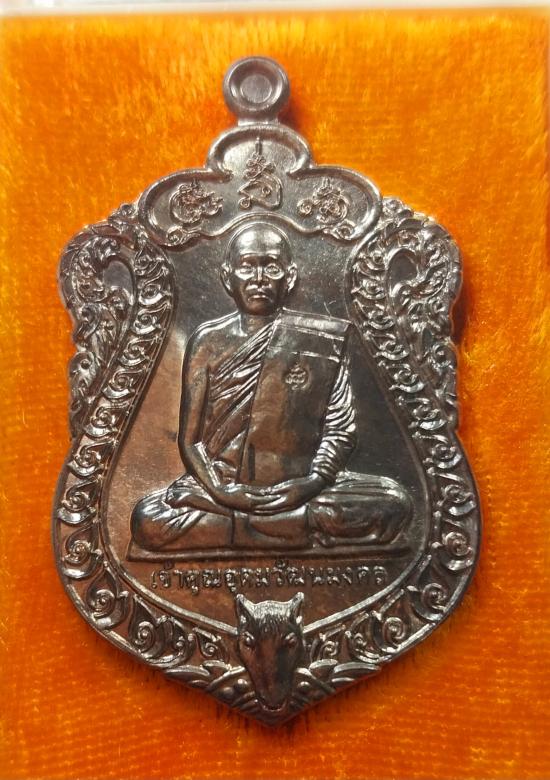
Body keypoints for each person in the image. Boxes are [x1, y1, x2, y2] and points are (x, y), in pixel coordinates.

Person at [130, 221, 412, 553]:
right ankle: (289, 526)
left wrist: (311, 483)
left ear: (289, 277)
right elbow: (191, 442)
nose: (259, 278)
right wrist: (221, 492)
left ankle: (250, 525)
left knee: (395, 502)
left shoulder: (319, 339)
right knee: (148, 519)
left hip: (301, 485)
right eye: (247, 266)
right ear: (227, 277)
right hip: (222, 484)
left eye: (271, 267)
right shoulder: (207, 341)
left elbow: (340, 428)